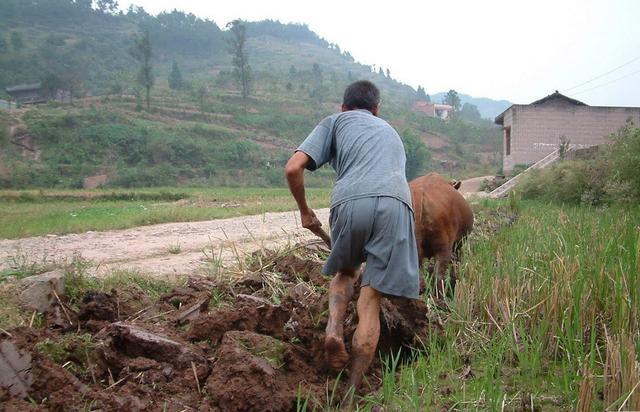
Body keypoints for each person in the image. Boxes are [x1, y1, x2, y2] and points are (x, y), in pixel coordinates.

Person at [284, 80, 420, 393]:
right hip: (396, 204)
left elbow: (293, 169)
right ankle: (352, 389)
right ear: (377, 109)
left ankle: (333, 329)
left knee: (345, 272)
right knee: (370, 298)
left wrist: (305, 211)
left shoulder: (335, 121)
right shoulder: (390, 131)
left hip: (350, 201)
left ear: (344, 107)